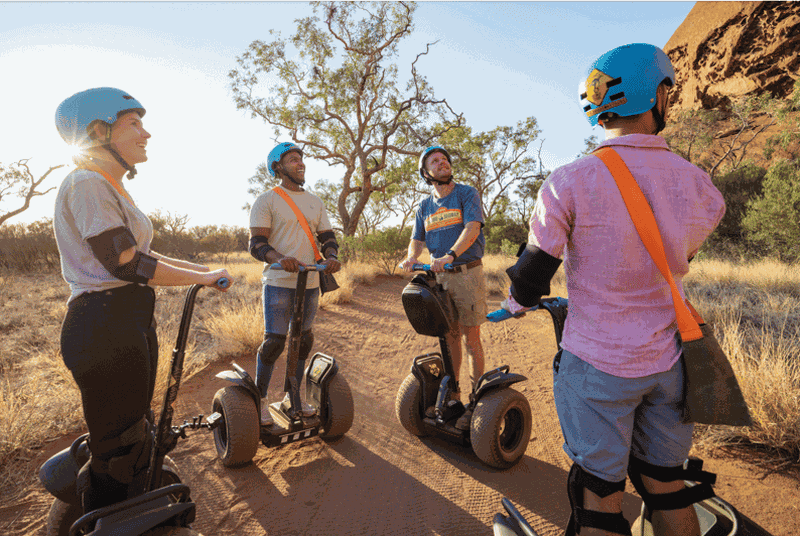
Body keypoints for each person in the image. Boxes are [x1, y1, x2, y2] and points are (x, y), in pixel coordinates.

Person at [504, 44, 725, 536]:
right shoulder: (699, 186)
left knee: (599, 494)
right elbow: (681, 257)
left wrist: (514, 305)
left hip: (598, 363)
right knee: (666, 483)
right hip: (670, 361)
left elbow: (535, 270)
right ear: (657, 96)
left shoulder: (568, 181)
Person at [54, 87, 232, 513]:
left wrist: (203, 276)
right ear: (98, 131)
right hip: (103, 326)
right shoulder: (86, 183)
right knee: (118, 448)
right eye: (133, 123)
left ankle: (129, 507)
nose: (146, 133)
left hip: (124, 319)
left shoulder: (107, 186)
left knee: (135, 431)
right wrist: (200, 276)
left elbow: (142, 257)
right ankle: (110, 517)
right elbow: (126, 262)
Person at [248, 142, 341, 425]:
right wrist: (280, 258)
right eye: (292, 159)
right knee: (274, 342)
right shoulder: (267, 200)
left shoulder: (315, 201)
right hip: (279, 281)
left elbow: (328, 237)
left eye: (301, 159)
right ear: (278, 167)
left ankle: (292, 397)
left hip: (311, 280)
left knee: (303, 340)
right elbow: (257, 244)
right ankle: (259, 400)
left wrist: (332, 256)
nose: (300, 163)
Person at [400, 146, 487, 430]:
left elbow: (472, 228)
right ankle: (455, 395)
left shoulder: (466, 193)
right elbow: (417, 239)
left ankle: (477, 401)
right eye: (435, 162)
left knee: (470, 337)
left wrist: (450, 254)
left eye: (444, 159)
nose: (442, 163)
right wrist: (412, 257)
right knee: (450, 336)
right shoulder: (424, 207)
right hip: (440, 278)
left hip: (465, 273)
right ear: (426, 173)